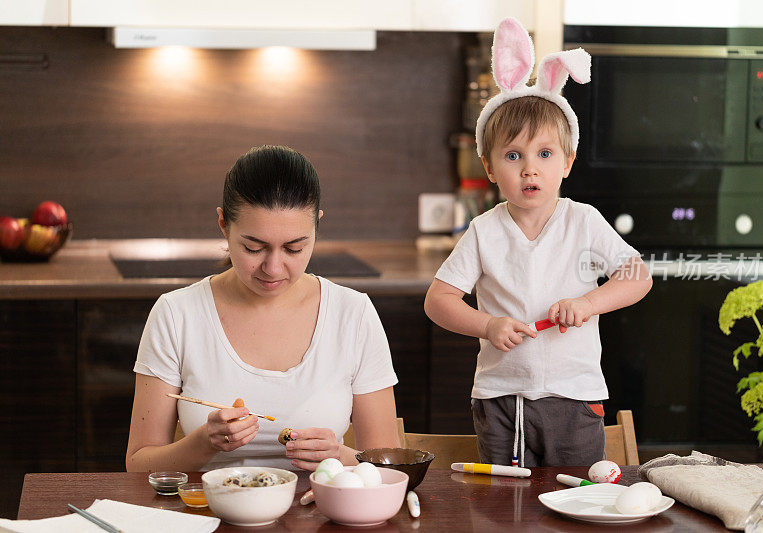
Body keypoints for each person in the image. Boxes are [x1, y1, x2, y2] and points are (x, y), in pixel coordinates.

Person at [424, 18, 652, 468]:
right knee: (505, 506)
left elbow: (637, 275)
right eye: (514, 156)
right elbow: (439, 301)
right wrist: (487, 326)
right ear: (489, 168)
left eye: (544, 154)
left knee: (577, 499)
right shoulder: (483, 231)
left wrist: (589, 303)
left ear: (567, 162)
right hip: (500, 399)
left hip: (576, 396)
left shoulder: (583, 221)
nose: (530, 169)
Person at [126, 145, 400, 473]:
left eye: (294, 248)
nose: (273, 268)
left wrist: (340, 456)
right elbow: (139, 465)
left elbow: (390, 468)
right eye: (253, 248)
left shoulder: (353, 314)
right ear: (223, 224)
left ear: (317, 226)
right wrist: (203, 443)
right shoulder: (176, 314)